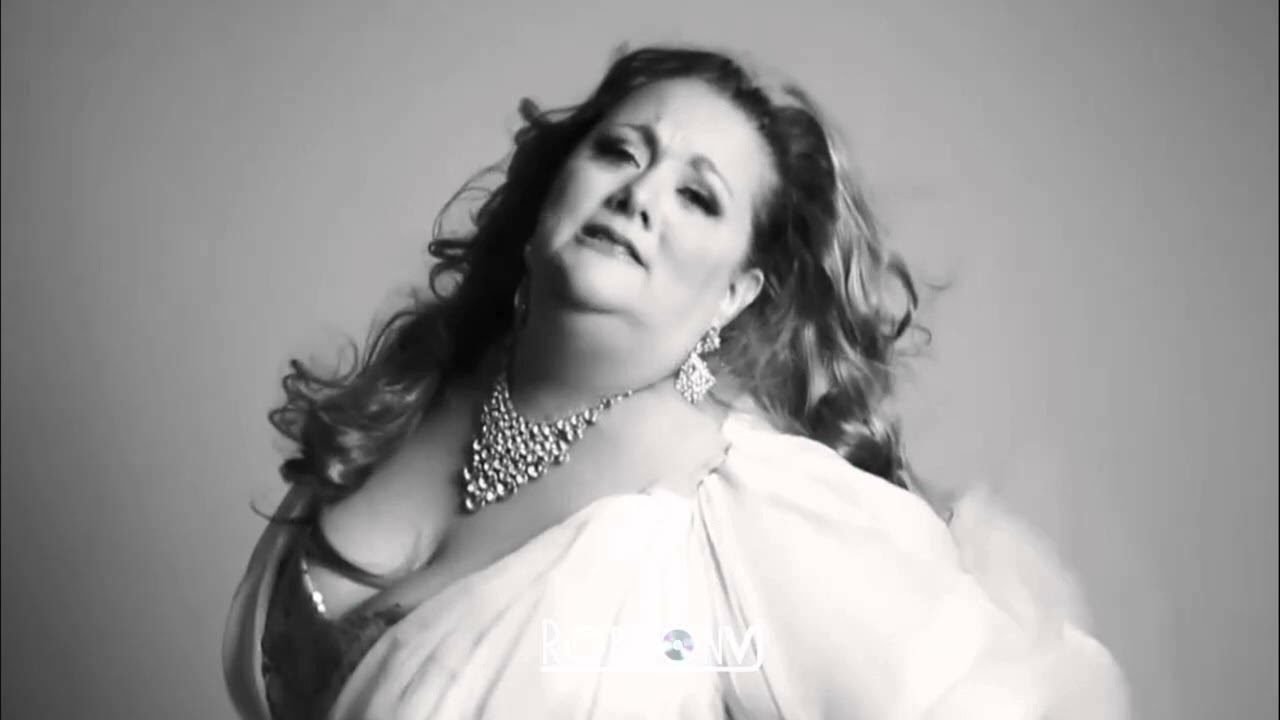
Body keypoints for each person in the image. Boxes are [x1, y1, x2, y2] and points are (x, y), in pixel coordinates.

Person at [222, 45, 1131, 719]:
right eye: (620, 152)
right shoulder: (411, 390)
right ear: (552, 190)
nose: (641, 195)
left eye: (698, 196)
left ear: (736, 293)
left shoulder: (733, 497)